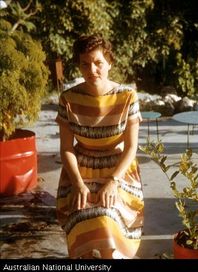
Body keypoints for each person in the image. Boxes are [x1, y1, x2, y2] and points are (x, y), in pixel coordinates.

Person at [55, 34, 144, 259]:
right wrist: (77, 183)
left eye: (98, 63)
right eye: (85, 64)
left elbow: (131, 147)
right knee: (80, 216)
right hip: (80, 168)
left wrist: (113, 182)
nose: (92, 69)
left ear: (109, 63)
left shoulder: (127, 97)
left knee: (108, 216)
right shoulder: (68, 98)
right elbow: (66, 148)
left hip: (118, 169)